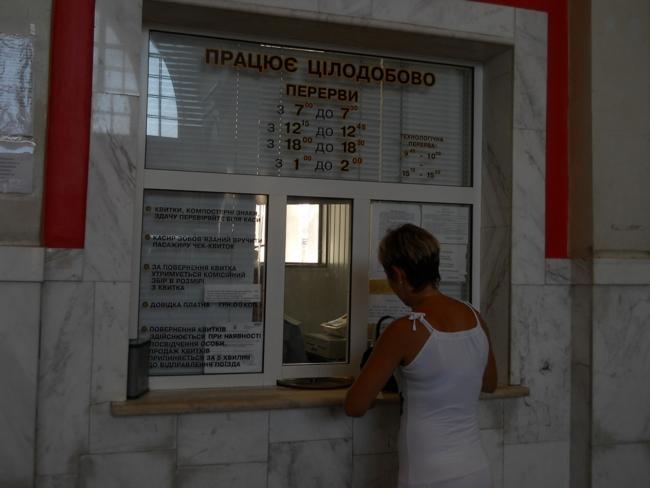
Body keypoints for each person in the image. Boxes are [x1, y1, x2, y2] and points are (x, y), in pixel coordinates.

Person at [345, 224, 497, 488]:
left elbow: (355, 405)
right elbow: (490, 383)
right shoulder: (475, 317)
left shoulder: (405, 329)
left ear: (399, 274)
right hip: (475, 471)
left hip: (427, 475)